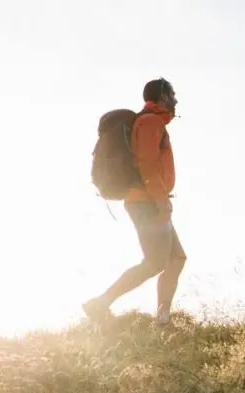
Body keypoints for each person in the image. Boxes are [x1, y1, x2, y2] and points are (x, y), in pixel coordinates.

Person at [83, 78, 186, 327]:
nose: (175, 99)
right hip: (146, 201)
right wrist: (161, 200)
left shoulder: (151, 121)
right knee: (154, 262)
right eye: (172, 94)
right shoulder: (150, 122)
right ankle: (100, 303)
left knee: (176, 259)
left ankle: (162, 318)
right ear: (162, 95)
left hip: (147, 199)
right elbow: (147, 163)